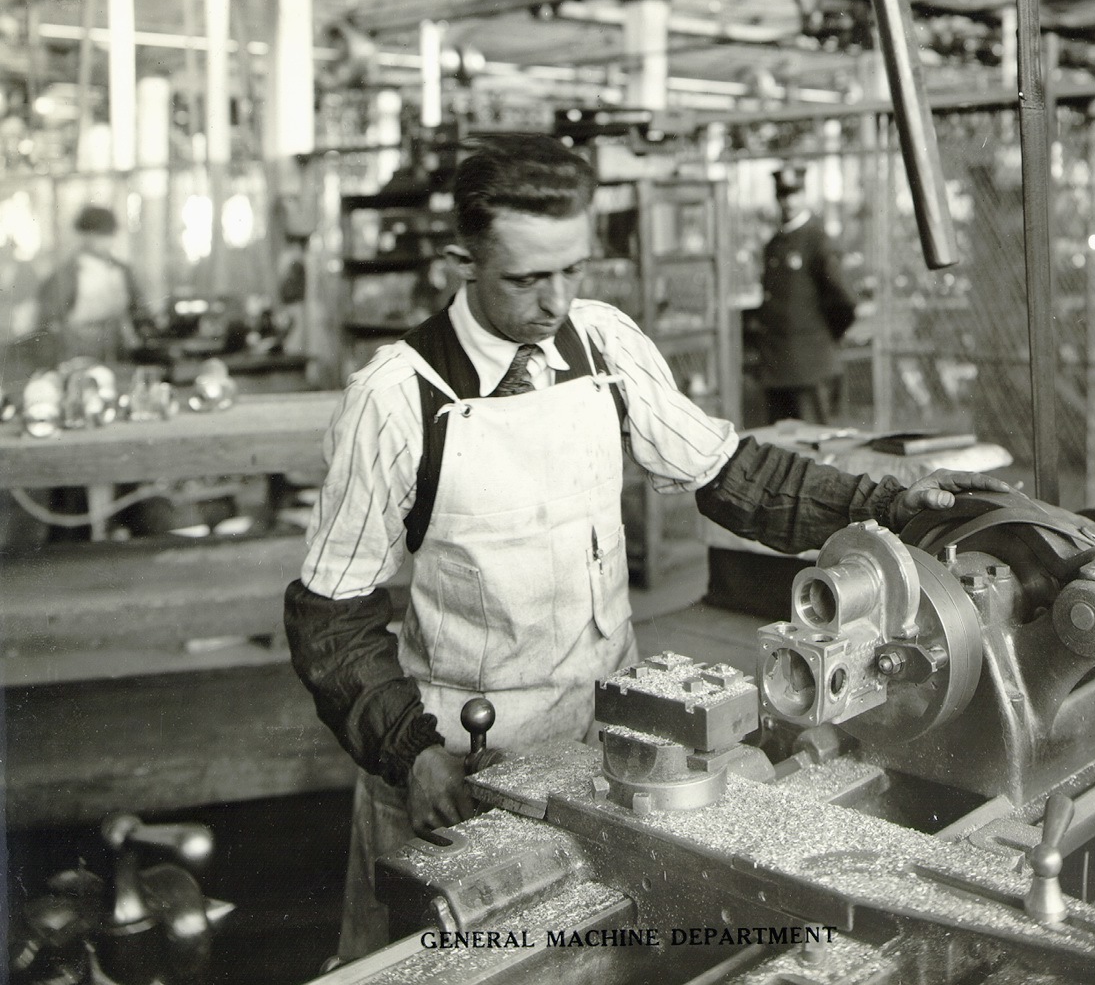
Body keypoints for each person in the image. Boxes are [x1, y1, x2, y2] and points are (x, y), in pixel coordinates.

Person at [283, 135, 1012, 961]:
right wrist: (410, 755)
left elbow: (731, 474)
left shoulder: (601, 347)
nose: (556, 301)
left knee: (602, 960)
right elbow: (330, 617)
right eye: (527, 278)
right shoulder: (398, 397)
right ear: (462, 259)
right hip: (454, 762)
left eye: (573, 270)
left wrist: (882, 503)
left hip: (602, 741)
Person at [754, 165, 860, 425]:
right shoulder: (774, 245)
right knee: (779, 454)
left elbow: (843, 301)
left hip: (810, 367)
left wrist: (822, 340)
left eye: (795, 193)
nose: (789, 201)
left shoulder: (817, 240)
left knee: (815, 452)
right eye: (783, 195)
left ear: (805, 195)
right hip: (777, 367)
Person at [35, 204, 147, 366]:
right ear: (85, 236)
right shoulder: (68, 274)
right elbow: (50, 319)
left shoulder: (122, 270)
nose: (105, 240)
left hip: (119, 349)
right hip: (79, 351)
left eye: (108, 234)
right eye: (99, 234)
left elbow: (138, 307)